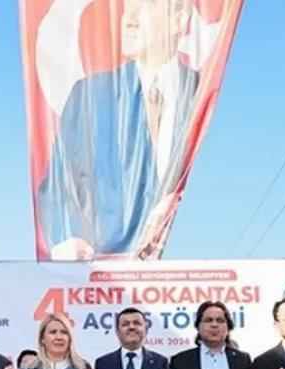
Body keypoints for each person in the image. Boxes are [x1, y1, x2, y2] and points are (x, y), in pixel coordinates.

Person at [35, 0, 201, 259]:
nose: (128, 19)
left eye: (146, 6)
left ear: (179, 20)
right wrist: (66, 239)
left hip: (194, 265)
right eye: (127, 7)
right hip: (105, 265)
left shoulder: (202, 95)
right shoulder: (89, 96)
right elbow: (59, 182)